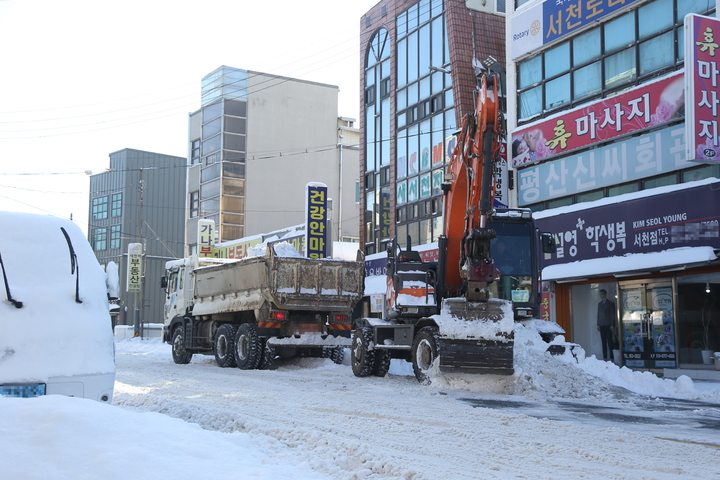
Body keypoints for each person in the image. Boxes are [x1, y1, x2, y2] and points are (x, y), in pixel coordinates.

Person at [597, 289, 617, 361]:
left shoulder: (610, 303)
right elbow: (598, 314)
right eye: (600, 294)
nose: (601, 296)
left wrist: (612, 324)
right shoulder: (599, 304)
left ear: (605, 294)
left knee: (609, 341)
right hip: (602, 324)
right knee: (603, 342)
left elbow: (612, 314)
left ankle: (611, 357)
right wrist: (598, 324)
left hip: (608, 324)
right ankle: (604, 357)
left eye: (602, 294)